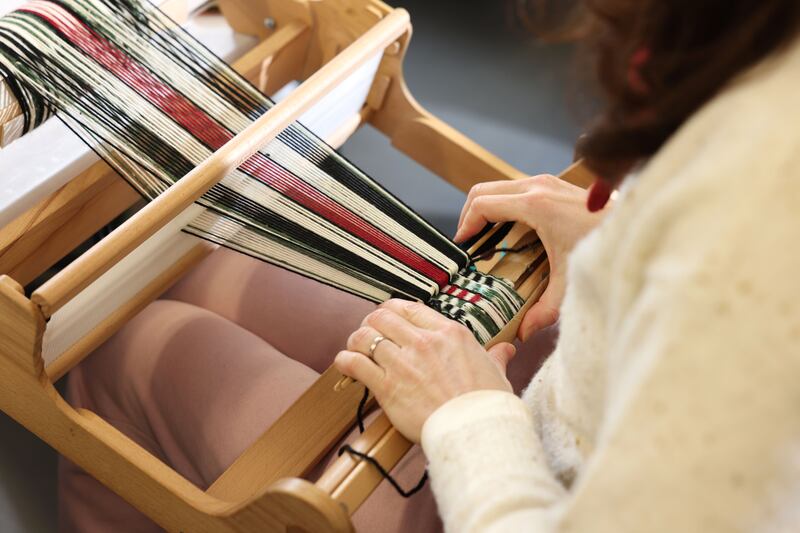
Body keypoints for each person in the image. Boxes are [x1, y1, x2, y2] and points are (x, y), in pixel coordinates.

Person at [60, 0, 800, 531]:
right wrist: (624, 240)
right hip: (567, 411)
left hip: (506, 489)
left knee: (113, 352)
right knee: (187, 274)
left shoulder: (755, 208)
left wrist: (464, 413)